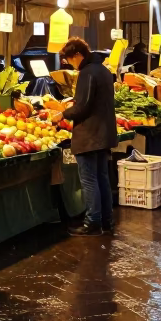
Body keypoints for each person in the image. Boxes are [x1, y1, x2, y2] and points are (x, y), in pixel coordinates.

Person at [55, 37, 118, 235]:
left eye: (69, 60)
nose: (70, 64)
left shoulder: (88, 73)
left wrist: (62, 114)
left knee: (90, 180)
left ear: (78, 55)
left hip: (90, 134)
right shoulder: (104, 70)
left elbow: (84, 106)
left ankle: (93, 223)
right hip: (104, 132)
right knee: (102, 178)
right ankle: (106, 221)